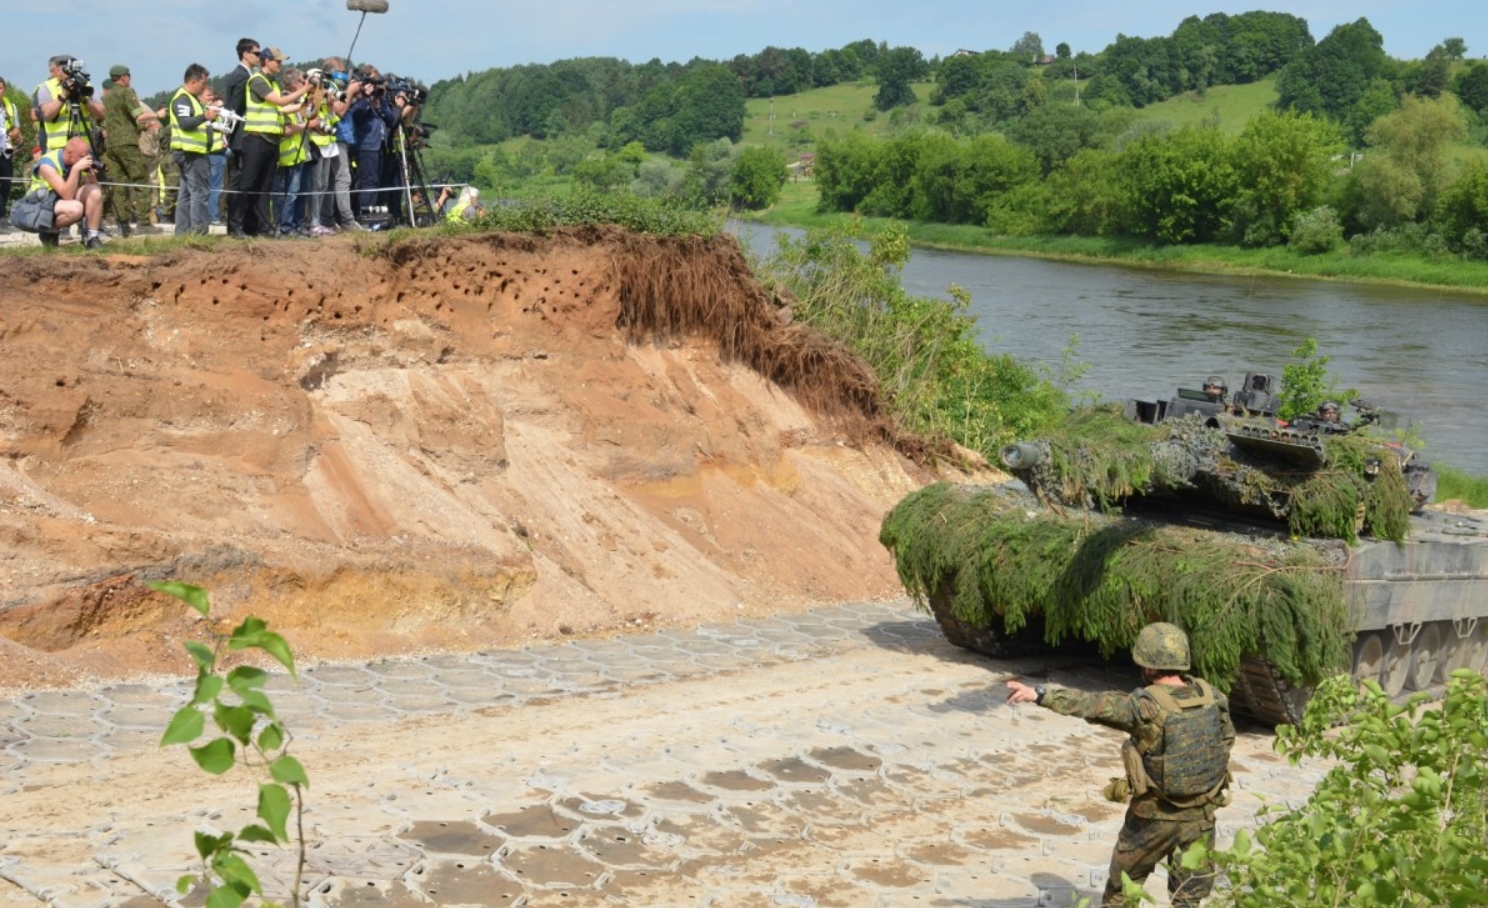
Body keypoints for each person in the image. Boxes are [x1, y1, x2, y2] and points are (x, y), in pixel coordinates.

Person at [1007, 622, 1234, 908]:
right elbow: (1226, 741)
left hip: (1151, 819)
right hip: (1201, 818)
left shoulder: (1145, 705)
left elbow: (1094, 704)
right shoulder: (1213, 696)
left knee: (1121, 893)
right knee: (1188, 899)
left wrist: (1040, 694)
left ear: (1147, 665)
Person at [234, 46, 308, 237]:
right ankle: (237, 225)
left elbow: (281, 109)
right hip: (256, 139)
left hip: (270, 141)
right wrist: (305, 89)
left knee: (264, 187)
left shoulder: (272, 83)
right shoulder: (257, 80)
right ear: (267, 61)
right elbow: (281, 103)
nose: (280, 65)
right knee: (247, 185)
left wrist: (304, 105)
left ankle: (263, 226)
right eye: (278, 61)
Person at [100, 64, 159, 238]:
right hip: (128, 144)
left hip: (112, 145)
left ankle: (123, 224)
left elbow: (121, 122)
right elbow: (138, 115)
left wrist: (141, 127)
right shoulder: (127, 92)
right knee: (141, 180)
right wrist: (157, 114)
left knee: (120, 184)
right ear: (123, 77)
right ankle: (144, 222)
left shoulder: (108, 98)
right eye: (129, 76)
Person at [168, 63, 219, 235]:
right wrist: (205, 116)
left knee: (186, 195)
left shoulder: (191, 99)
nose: (205, 87)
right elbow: (185, 123)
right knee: (199, 193)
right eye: (203, 83)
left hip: (190, 152)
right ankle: (199, 233)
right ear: (193, 82)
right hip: (191, 153)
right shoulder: (183, 99)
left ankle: (182, 233)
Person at [29, 135, 105, 249]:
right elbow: (67, 195)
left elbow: (99, 194)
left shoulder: (76, 161)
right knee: (76, 208)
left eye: (87, 155)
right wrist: (75, 169)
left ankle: (92, 238)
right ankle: (49, 232)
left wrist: (92, 178)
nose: (85, 158)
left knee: (94, 192)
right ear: (70, 153)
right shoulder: (47, 163)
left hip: (62, 202)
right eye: (82, 156)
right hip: (41, 204)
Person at [32, 55, 105, 156]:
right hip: (58, 148)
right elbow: (46, 115)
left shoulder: (85, 84)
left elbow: (102, 113)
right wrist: (64, 95)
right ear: (57, 70)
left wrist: (85, 100)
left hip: (83, 146)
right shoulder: (47, 87)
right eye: (65, 69)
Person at [222, 38, 259, 235]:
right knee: (240, 182)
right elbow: (234, 109)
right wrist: (228, 134)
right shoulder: (241, 76)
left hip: (240, 135)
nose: (259, 57)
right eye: (256, 53)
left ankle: (239, 224)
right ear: (245, 54)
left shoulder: (243, 74)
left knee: (242, 181)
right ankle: (236, 225)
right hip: (241, 136)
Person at [202, 86, 229, 224]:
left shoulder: (209, 114)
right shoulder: (211, 114)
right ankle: (213, 216)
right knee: (215, 187)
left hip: (212, 152)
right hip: (216, 153)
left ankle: (210, 215)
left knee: (210, 186)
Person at [0, 77, 22, 227]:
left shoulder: (10, 107)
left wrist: (14, 134)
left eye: (0, 88)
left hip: (5, 151)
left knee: (6, 184)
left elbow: (16, 127)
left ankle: (2, 217)